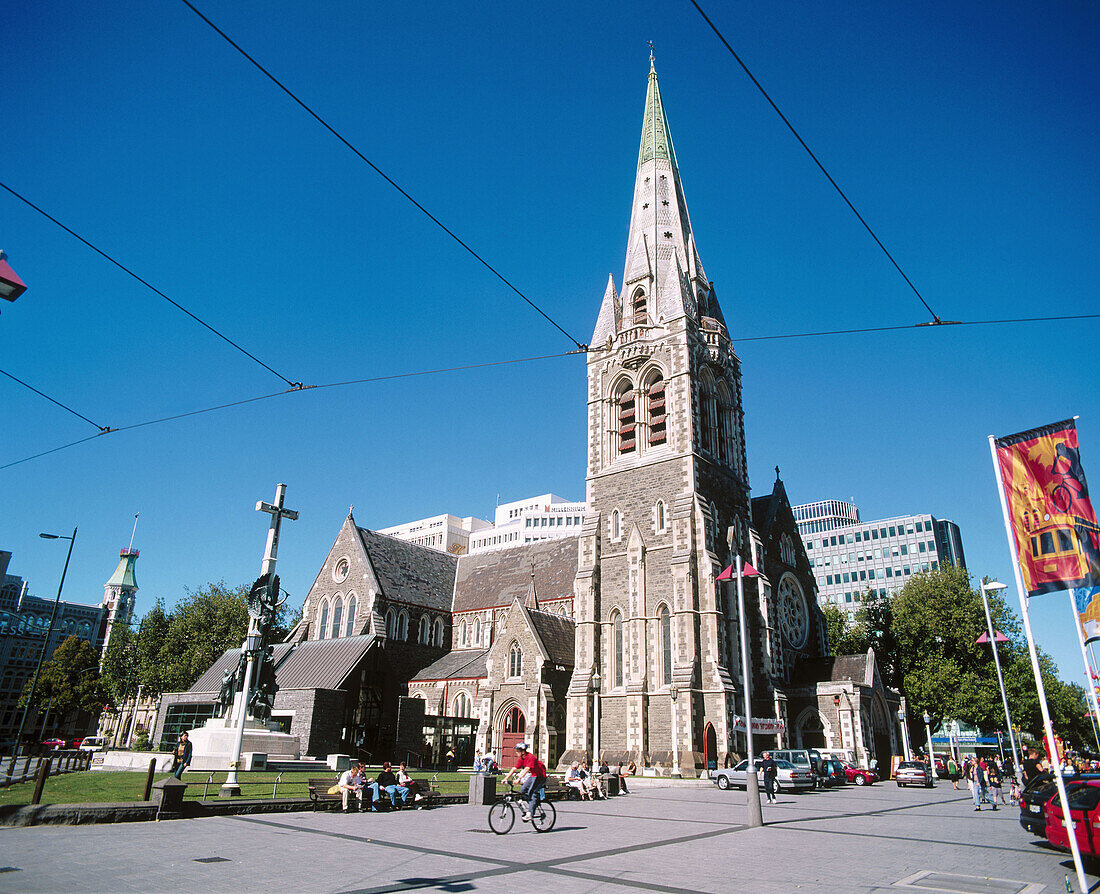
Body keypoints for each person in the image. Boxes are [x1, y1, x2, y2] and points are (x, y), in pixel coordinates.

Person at [501, 741, 546, 822]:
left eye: (518, 751)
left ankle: (530, 814)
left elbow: (527, 769)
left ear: (523, 751)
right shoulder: (521, 759)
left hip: (540, 776)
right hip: (533, 776)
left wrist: (519, 779)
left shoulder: (531, 757)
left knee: (532, 792)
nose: (516, 752)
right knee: (523, 790)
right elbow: (514, 768)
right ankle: (533, 803)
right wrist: (506, 778)